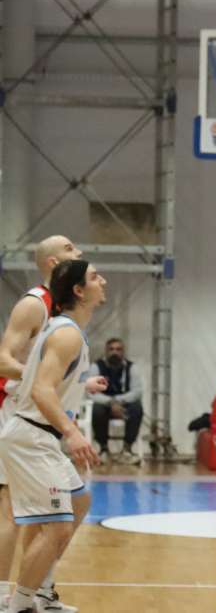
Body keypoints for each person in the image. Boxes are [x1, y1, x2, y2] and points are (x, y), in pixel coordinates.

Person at [0, 259, 107, 613]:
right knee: (56, 528)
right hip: (31, 436)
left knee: (79, 503)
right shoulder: (66, 333)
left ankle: (39, 592)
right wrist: (72, 432)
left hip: (35, 434)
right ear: (78, 291)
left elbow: (45, 381)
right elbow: (41, 390)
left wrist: (82, 385)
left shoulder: (66, 329)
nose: (103, 281)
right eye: (95, 277)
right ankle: (18, 605)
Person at [88, 337, 145, 464]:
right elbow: (92, 393)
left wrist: (118, 401)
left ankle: (127, 450)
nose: (115, 352)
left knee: (137, 407)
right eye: (111, 349)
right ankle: (103, 449)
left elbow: (137, 391)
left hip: (124, 405)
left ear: (123, 351)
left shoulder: (132, 367)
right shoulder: (96, 367)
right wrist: (111, 402)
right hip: (104, 404)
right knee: (96, 409)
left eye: (118, 349)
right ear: (106, 351)